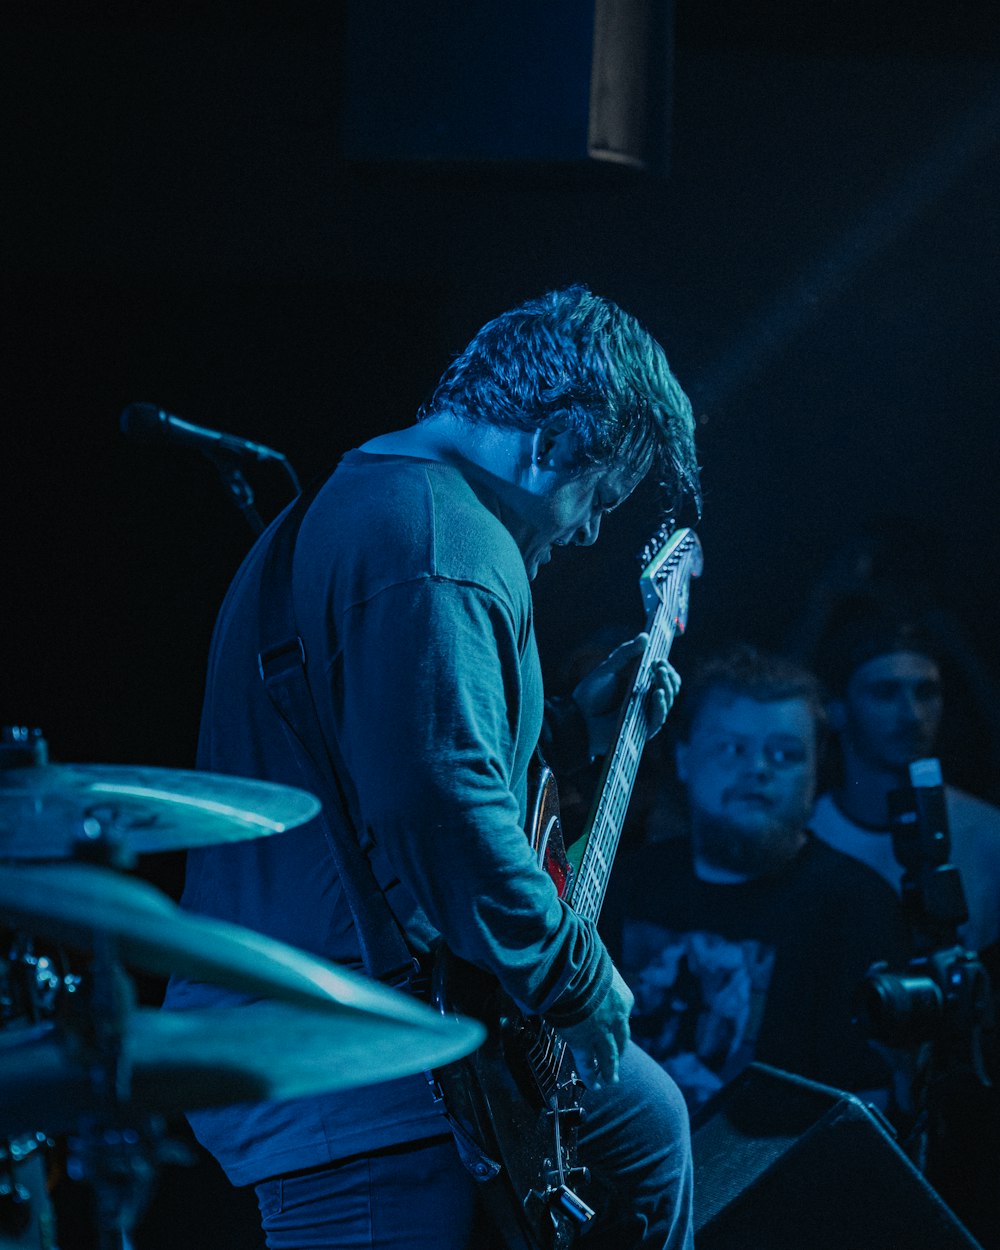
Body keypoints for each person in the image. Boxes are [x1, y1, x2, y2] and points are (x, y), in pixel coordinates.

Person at [163, 285, 702, 1249]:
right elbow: (436, 802)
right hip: (350, 1057)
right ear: (552, 440)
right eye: (597, 500)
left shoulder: (384, 501)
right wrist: (576, 981)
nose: (584, 535)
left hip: (363, 1031)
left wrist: (578, 731)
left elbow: (392, 755)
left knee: (647, 1124)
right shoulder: (438, 542)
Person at [601, 645, 908, 1114]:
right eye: (731, 748)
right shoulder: (627, 881)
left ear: (813, 772)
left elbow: (862, 1111)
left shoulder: (858, 908)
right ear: (684, 757)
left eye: (785, 754)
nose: (758, 769)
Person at [809, 595, 1000, 960]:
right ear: (837, 710)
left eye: (926, 692)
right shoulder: (805, 836)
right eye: (884, 692)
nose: (911, 715)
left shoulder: (988, 836)